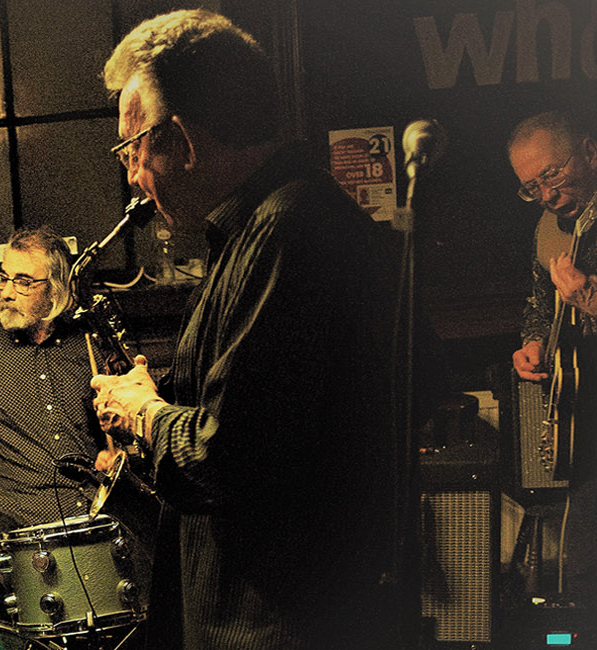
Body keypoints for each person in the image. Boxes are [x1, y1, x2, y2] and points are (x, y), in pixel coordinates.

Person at [88, 10, 406, 649]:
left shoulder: (287, 232)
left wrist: (146, 413)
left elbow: (224, 458)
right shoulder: (274, 225)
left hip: (270, 627)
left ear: (182, 139)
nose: (131, 174)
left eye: (133, 148)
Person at [0, 226, 155, 629]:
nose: (6, 292)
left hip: (90, 503)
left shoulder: (93, 345)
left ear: (56, 290)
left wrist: (120, 451)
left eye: (23, 281)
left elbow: (134, 428)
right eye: (3, 278)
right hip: (12, 511)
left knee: (150, 576)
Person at [504, 110, 597, 607]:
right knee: (586, 568)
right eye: (531, 187)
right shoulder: (546, 228)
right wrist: (533, 343)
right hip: (583, 417)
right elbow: (538, 305)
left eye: (552, 175)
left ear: (591, 153)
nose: (546, 195)